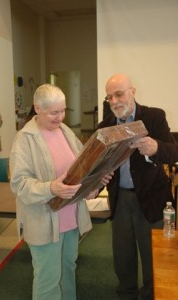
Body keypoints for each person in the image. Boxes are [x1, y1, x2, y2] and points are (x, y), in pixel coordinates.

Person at [9, 83, 111, 300]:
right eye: (54, 112)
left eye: (63, 110)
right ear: (37, 108)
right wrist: (50, 188)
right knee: (48, 279)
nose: (60, 117)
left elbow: (80, 167)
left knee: (68, 271)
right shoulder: (24, 139)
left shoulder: (64, 130)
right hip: (43, 221)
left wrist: (93, 184)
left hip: (70, 218)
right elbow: (19, 184)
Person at [97, 73, 178, 300]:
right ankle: (126, 294)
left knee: (154, 255)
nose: (114, 101)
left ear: (133, 92)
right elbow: (100, 164)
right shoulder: (105, 126)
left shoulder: (153, 117)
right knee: (123, 257)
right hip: (120, 200)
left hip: (152, 199)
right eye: (109, 97)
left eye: (119, 94)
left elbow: (173, 152)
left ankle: (152, 294)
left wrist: (155, 148)